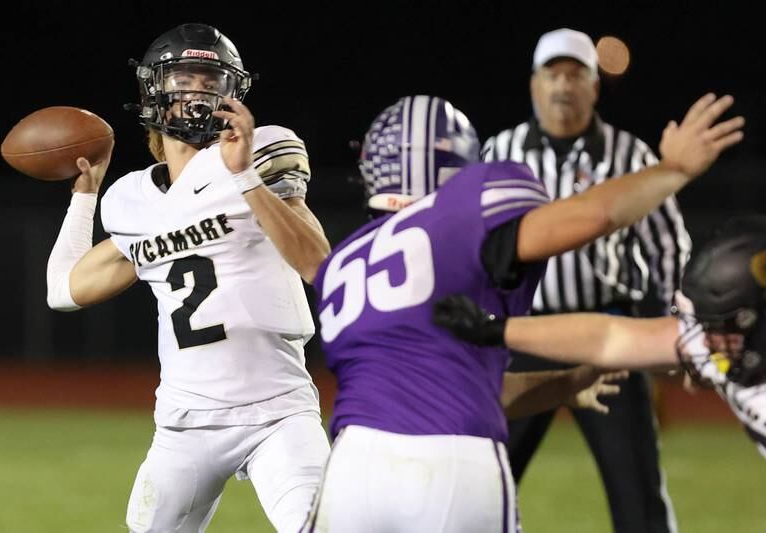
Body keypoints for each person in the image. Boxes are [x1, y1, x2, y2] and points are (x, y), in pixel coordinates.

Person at [301, 92, 743, 532]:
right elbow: (594, 214)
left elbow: (454, 387)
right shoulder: (465, 211)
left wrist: (566, 383)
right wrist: (673, 169)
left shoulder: (344, 261)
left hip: (351, 467)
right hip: (454, 463)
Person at [45, 23, 331, 533]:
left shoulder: (262, 150)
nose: (198, 90)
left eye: (210, 78)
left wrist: (245, 177)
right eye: (183, 78)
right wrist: (84, 195)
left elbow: (319, 264)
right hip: (184, 424)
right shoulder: (131, 200)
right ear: (154, 92)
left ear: (233, 91)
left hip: (278, 413)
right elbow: (63, 290)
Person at [481, 27, 693, 532]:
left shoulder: (630, 155)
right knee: (482, 482)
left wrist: (671, 323)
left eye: (575, 75)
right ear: (534, 84)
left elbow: (666, 243)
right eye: (552, 74)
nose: (562, 87)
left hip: (609, 338)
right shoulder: (500, 152)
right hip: (523, 336)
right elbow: (472, 243)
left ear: (594, 86)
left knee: (637, 490)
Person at [434, 214, 766, 459]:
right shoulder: (733, 344)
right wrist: (496, 329)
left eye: (722, 328)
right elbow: (609, 338)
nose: (706, 342)